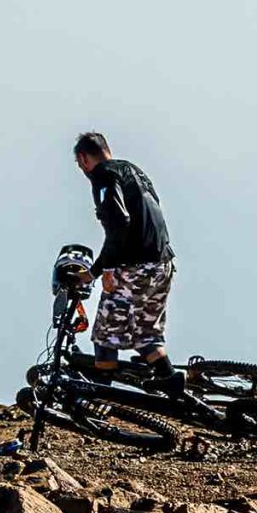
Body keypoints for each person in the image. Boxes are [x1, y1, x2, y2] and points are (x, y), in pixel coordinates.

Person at [72, 132, 179, 385]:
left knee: (104, 335)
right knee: (146, 335)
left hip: (136, 266)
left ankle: (101, 395)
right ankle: (171, 383)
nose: (82, 170)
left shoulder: (103, 176)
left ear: (83, 158)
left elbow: (118, 222)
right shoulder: (134, 171)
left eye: (79, 165)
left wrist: (103, 270)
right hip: (163, 263)